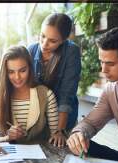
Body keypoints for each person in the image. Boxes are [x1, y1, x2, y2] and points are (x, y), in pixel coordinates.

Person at [66, 27, 118, 163]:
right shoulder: (110, 90)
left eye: (110, 64)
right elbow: (90, 123)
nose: (103, 70)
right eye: (101, 62)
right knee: (86, 146)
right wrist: (78, 134)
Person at [28, 13, 81, 147]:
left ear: (63, 40)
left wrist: (59, 130)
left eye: (52, 41)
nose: (44, 44)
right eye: (42, 36)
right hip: (37, 116)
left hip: (62, 117)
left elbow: (67, 93)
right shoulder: (30, 50)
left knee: (59, 148)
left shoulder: (71, 52)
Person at [0, 46, 59, 145]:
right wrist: (8, 137)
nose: (17, 77)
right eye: (11, 72)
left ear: (30, 68)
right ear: (5, 73)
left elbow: (55, 137)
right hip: (9, 157)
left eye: (22, 70)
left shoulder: (46, 95)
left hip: (43, 156)